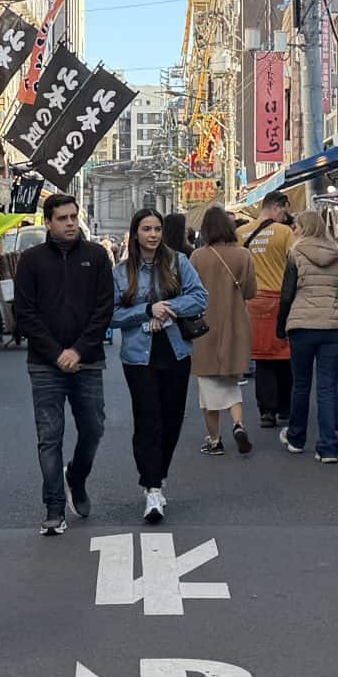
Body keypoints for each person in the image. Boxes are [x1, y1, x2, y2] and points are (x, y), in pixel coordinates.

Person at [16, 191, 115, 535]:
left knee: (94, 428)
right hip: (44, 364)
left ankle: (77, 476)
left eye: (73, 217)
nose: (70, 223)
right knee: (49, 436)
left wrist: (79, 351)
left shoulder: (97, 256)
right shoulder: (30, 260)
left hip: (88, 362)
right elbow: (24, 314)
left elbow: (104, 309)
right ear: (48, 222)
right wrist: (57, 353)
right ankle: (54, 507)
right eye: (63, 218)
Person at [111, 206, 209, 524]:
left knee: (171, 419)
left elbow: (200, 298)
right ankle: (152, 487)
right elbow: (111, 315)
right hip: (138, 357)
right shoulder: (122, 271)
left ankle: (159, 473)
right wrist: (146, 311)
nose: (152, 235)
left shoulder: (178, 263)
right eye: (146, 229)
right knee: (147, 419)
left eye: (157, 229)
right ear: (135, 233)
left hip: (176, 351)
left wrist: (167, 309)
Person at [277, 209, 338, 464]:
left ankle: (297, 438)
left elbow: (287, 294)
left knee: (301, 384)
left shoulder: (295, 253)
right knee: (326, 387)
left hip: (301, 326)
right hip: (332, 327)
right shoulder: (337, 255)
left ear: (305, 228)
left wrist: (281, 325)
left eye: (297, 226)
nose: (294, 230)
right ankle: (328, 447)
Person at [188, 205, 258, 456]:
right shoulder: (243, 255)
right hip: (235, 324)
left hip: (205, 328)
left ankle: (215, 439)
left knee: (208, 388)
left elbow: (190, 294)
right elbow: (250, 291)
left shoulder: (198, 257)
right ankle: (238, 424)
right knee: (231, 382)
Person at [246, 191, 297, 428]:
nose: (285, 217)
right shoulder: (285, 233)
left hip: (253, 302)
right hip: (280, 301)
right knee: (284, 356)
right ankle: (285, 408)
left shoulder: (241, 233)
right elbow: (295, 263)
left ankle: (266, 410)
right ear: (277, 207)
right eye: (285, 211)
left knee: (262, 357)